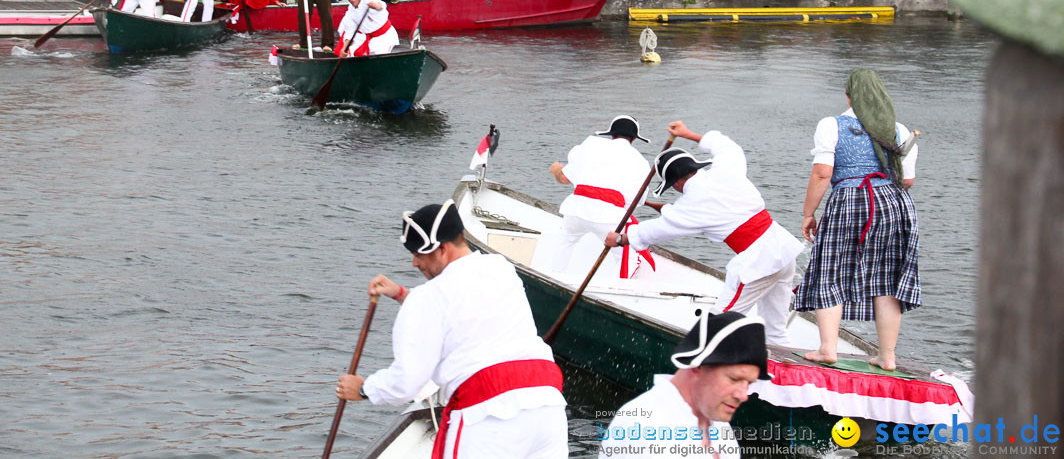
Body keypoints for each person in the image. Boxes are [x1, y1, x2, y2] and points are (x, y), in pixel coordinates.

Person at [335, 200, 568, 459]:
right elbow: (461, 304)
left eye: (418, 254)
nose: (414, 263)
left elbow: (406, 384)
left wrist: (365, 389)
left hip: (488, 418)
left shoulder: (427, 299)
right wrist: (402, 294)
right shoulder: (501, 268)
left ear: (442, 249)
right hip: (548, 407)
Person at [607, 120, 802, 346]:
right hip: (783, 251)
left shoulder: (690, 206)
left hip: (759, 262)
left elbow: (658, 229)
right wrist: (688, 133)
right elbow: (728, 147)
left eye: (673, 186)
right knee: (776, 332)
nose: (676, 190)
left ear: (678, 181)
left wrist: (621, 239)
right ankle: (779, 374)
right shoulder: (726, 169)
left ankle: (697, 367)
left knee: (718, 323)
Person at [797, 69, 920, 370]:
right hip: (893, 203)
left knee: (831, 268)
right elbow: (909, 180)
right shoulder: (900, 130)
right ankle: (887, 356)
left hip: (849, 199)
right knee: (887, 277)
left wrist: (808, 213)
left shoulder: (832, 125)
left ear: (848, 96)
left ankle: (828, 349)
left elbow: (823, 173)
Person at [600, 311, 770, 457]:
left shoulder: (717, 423)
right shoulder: (641, 426)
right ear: (697, 366)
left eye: (748, 383)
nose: (743, 395)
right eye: (734, 379)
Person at [543, 116, 651, 275]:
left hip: (575, 211)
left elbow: (564, 179)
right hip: (608, 218)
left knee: (566, 242)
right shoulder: (641, 162)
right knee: (624, 257)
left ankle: (555, 276)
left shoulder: (590, 145)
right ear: (634, 139)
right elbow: (638, 202)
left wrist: (556, 170)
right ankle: (619, 288)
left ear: (612, 135)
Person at [334, 0, 399, 56]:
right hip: (371, 38)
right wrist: (344, 48)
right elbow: (349, 32)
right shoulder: (350, 12)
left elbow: (381, 5)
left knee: (381, 57)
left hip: (385, 37)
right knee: (358, 53)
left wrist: (375, 6)